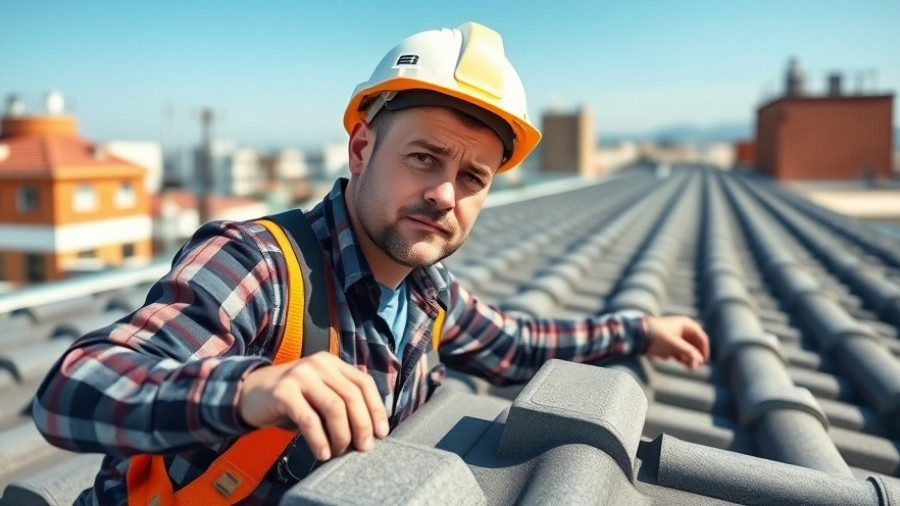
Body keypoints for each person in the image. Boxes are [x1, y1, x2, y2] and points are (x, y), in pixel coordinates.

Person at [33, 21, 709, 505]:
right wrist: (250, 390)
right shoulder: (258, 264)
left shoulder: (428, 299)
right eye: (424, 159)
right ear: (360, 151)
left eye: (473, 177)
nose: (445, 194)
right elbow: (72, 389)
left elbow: (518, 346)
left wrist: (639, 332)